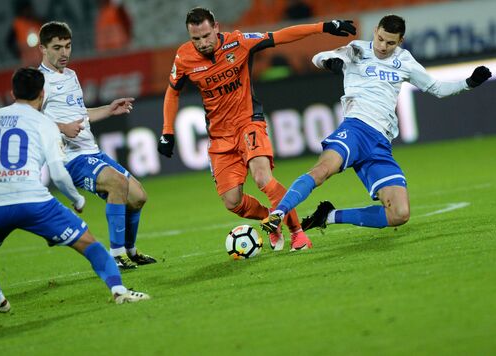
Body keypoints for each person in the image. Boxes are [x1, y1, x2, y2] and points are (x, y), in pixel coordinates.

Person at [261, 15, 492, 235]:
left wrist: (469, 83)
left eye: (390, 42)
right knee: (322, 171)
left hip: (380, 143)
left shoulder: (406, 61)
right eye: (380, 39)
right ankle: (279, 213)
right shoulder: (357, 49)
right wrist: (332, 62)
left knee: (399, 214)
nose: (382, 46)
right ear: (375, 32)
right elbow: (317, 58)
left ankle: (328, 216)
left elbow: (437, 89)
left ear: (400, 41)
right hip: (355, 129)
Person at [0, 68, 150, 312]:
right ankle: (119, 291)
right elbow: (57, 172)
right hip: (35, 202)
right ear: (42, 94)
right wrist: (76, 199)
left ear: (12, 92)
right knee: (89, 243)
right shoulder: (44, 123)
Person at [157, 7, 356, 251]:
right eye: (195, 38)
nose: (202, 43)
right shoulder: (184, 57)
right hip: (219, 136)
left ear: (216, 27)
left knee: (262, 177)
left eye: (206, 36)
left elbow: (280, 35)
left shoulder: (238, 43)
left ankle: (297, 233)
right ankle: (271, 217)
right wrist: (167, 131)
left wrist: (323, 26)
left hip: (248, 121)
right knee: (232, 202)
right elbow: (172, 92)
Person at [38, 21, 156, 270]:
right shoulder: (38, 82)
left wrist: (108, 109)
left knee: (138, 198)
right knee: (117, 183)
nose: (64, 53)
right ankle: (115, 255)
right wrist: (61, 128)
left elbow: (81, 114)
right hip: (69, 158)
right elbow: (32, 120)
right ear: (42, 49)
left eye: (68, 46)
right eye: (57, 47)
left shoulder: (71, 75)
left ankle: (131, 251)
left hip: (91, 151)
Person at [6, 0, 43, 66]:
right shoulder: (17, 24)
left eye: (28, 9)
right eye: (25, 9)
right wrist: (17, 53)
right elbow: (9, 41)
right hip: (28, 62)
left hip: (42, 59)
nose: (27, 12)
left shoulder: (38, 21)